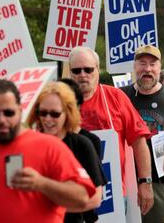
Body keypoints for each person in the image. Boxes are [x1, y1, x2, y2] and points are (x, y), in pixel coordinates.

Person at [0, 79, 96, 223]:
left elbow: (82, 198)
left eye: (8, 113)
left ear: (20, 110)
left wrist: (41, 183)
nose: (2, 120)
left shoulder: (50, 147)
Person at [68, 46, 154, 215]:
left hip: (112, 194)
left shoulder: (115, 97)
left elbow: (139, 140)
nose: (83, 75)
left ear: (98, 70)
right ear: (69, 72)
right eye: (76, 70)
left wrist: (145, 182)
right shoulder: (60, 102)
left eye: (88, 69)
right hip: (71, 194)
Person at [121, 45, 164, 223]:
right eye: (142, 63)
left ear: (159, 67)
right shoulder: (122, 95)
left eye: (153, 64)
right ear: (134, 66)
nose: (147, 69)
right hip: (127, 182)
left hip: (162, 185)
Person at [27, 81, 105, 223]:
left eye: (55, 114)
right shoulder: (29, 144)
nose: (48, 119)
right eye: (43, 113)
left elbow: (95, 198)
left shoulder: (82, 144)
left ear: (68, 113)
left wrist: (51, 207)